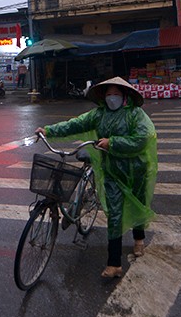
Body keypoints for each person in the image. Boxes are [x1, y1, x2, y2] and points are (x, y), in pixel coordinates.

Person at [35, 76, 157, 278]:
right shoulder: (99, 115)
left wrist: (113, 142)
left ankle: (138, 239)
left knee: (138, 203)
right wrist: (48, 130)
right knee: (115, 214)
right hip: (111, 171)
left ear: (124, 96)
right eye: (109, 94)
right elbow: (75, 125)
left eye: (116, 94)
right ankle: (114, 263)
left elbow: (143, 139)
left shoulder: (136, 115)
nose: (112, 98)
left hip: (135, 169)